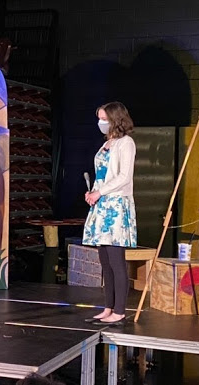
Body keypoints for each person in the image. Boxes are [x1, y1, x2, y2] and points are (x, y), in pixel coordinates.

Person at [82, 101, 137, 326]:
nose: (101, 123)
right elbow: (102, 174)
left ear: (116, 119)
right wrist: (93, 192)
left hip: (116, 205)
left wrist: (100, 191)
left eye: (104, 118)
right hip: (102, 204)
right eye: (100, 118)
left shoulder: (126, 143)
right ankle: (108, 306)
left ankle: (120, 310)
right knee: (104, 260)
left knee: (116, 260)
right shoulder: (108, 143)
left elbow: (124, 176)